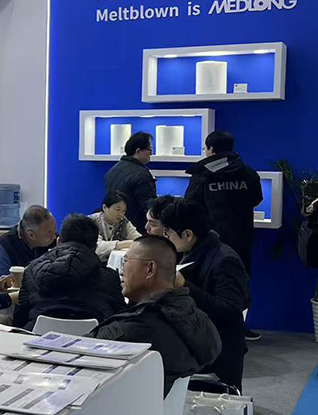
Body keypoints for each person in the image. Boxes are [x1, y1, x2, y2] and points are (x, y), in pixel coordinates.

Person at [93, 236, 222, 395]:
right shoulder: (197, 319)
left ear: (149, 269)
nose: (121, 270)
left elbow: (83, 354)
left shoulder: (134, 330)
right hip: (164, 409)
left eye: (125, 261)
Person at [159, 198, 249, 391]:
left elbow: (231, 311)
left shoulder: (224, 260)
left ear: (188, 234)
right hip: (196, 339)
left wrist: (185, 286)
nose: (166, 238)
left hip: (218, 348)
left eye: (168, 233)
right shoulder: (192, 251)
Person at [186, 130, 263, 341]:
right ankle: (239, 327)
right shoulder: (248, 173)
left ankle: (211, 329)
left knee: (208, 286)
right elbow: (256, 199)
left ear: (210, 149)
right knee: (240, 284)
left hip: (211, 243)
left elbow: (191, 205)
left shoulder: (202, 174)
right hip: (242, 239)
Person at [12, 214, 126, 330]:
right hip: (92, 339)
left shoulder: (32, 270)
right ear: (95, 247)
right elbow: (120, 321)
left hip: (36, 337)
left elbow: (19, 320)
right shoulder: (110, 278)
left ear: (58, 241)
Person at [105, 131, 157, 233]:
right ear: (138, 151)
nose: (151, 154)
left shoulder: (112, 170)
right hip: (135, 228)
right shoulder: (141, 175)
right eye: (149, 150)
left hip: (114, 225)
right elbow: (148, 206)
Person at [0, 204, 58, 281]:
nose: (54, 236)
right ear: (31, 235)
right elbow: (3, 285)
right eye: (50, 233)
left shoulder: (55, 242)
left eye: (54, 230)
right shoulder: (4, 247)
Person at [90, 191, 140, 260]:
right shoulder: (91, 222)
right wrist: (122, 244)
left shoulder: (123, 221)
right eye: (118, 210)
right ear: (104, 207)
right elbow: (97, 247)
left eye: (124, 211)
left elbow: (138, 238)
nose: (121, 214)